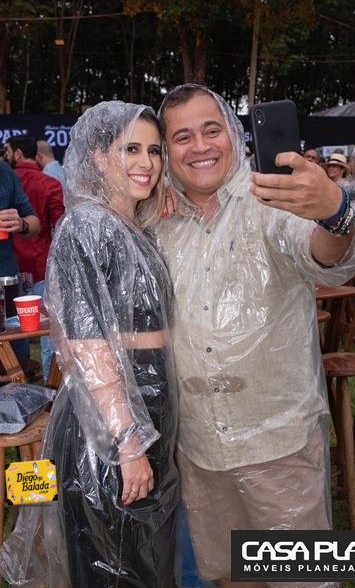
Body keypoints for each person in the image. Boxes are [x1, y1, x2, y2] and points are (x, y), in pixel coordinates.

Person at [156, 84, 355, 588]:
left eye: (211, 129)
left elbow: (327, 253)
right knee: (229, 577)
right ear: (167, 151)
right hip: (200, 448)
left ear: (233, 133)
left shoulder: (271, 199)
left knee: (301, 580)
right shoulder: (159, 222)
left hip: (279, 445)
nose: (200, 146)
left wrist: (334, 212)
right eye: (182, 137)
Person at [0, 102, 179, 587]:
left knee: (146, 561)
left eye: (154, 151)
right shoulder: (86, 227)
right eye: (131, 149)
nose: (146, 162)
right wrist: (127, 442)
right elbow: (87, 343)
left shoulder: (133, 227)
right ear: (99, 156)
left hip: (146, 412)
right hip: (108, 429)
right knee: (115, 567)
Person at [4, 135, 65, 379]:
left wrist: (20, 224)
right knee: (47, 334)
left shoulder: (7, 176)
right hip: (39, 266)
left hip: (11, 274)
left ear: (17, 153)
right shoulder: (50, 183)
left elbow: (36, 222)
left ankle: (25, 386)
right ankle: (48, 384)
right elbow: (60, 226)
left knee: (15, 339)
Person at [0, 161, 39, 358]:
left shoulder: (4, 173)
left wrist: (21, 224)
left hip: (6, 282)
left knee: (17, 358)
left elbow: (34, 223)